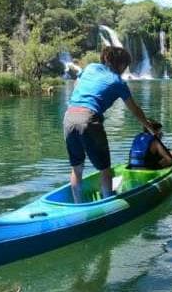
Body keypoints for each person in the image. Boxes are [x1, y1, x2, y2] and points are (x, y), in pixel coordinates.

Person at [65, 46, 158, 203]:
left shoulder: (90, 67)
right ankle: (108, 203)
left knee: (77, 167)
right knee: (105, 170)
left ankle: (77, 204)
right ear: (121, 65)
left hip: (69, 115)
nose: (125, 69)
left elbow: (77, 83)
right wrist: (149, 127)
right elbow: (135, 110)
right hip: (89, 119)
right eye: (126, 66)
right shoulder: (118, 82)